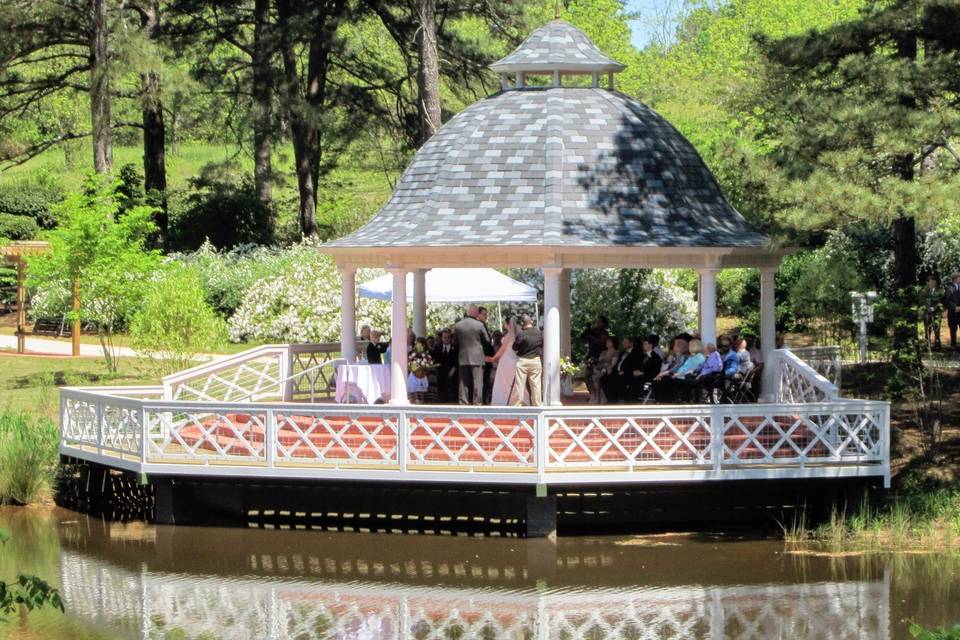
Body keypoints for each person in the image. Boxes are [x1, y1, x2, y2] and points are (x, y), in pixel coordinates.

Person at [453, 305, 492, 405]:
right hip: (477, 357)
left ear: (468, 312)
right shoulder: (480, 325)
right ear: (475, 313)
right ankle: (477, 402)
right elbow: (487, 341)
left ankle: (463, 402)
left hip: (463, 357)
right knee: (478, 382)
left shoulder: (458, 325)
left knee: (463, 382)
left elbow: (455, 343)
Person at [511, 315, 543, 406]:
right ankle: (537, 405)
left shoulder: (521, 334)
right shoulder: (539, 333)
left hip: (523, 361)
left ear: (522, 324)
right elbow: (542, 345)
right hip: (535, 360)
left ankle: (517, 404)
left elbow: (514, 347)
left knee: (519, 385)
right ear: (531, 322)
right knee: (536, 384)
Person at [600, 336, 643, 404]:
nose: (623, 343)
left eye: (625, 342)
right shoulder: (623, 352)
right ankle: (612, 400)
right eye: (623, 342)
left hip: (627, 374)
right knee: (603, 378)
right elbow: (617, 364)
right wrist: (611, 369)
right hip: (617, 372)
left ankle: (618, 399)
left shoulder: (637, 353)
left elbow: (636, 366)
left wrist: (625, 372)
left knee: (617, 379)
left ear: (631, 344)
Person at [489, 318, 520, 405]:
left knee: (503, 380)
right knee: (512, 381)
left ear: (507, 324)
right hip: (514, 359)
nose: (503, 324)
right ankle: (514, 399)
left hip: (507, 359)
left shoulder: (509, 335)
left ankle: (503, 399)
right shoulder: (517, 335)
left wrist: (493, 358)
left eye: (504, 323)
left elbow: (502, 349)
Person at [431, 329, 458, 403]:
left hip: (452, 371)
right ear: (442, 338)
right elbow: (435, 360)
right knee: (441, 386)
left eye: (448, 337)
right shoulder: (437, 347)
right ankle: (441, 401)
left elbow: (456, 361)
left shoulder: (455, 348)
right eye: (444, 337)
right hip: (441, 372)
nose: (446, 339)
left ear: (451, 338)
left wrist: (453, 370)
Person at [591, 336, 619, 403]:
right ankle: (597, 396)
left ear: (613, 343)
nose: (607, 343)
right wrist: (595, 366)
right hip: (600, 368)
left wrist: (606, 368)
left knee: (596, 376)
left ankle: (599, 397)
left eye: (609, 342)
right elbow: (599, 362)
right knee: (591, 375)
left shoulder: (615, 352)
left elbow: (613, 364)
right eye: (607, 342)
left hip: (608, 369)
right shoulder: (603, 352)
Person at [478, 306, 495, 404]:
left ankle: (484, 399)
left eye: (486, 314)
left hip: (487, 358)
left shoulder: (484, 325)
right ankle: (482, 400)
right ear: (479, 314)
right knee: (482, 381)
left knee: (485, 380)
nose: (486, 316)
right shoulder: (479, 326)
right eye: (484, 314)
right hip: (482, 358)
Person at [924, 277, 943, 350]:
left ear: (936, 283)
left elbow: (941, 301)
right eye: (930, 281)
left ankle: (937, 346)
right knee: (927, 330)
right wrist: (927, 307)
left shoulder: (940, 291)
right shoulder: (925, 291)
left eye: (933, 282)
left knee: (937, 330)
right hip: (927, 313)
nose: (931, 283)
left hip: (937, 313)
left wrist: (934, 308)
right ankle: (927, 346)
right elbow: (922, 299)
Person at [946, 273, 960, 351]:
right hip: (952, 313)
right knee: (953, 329)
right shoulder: (949, 288)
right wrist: (955, 307)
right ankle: (953, 345)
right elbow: (947, 300)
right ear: (956, 278)